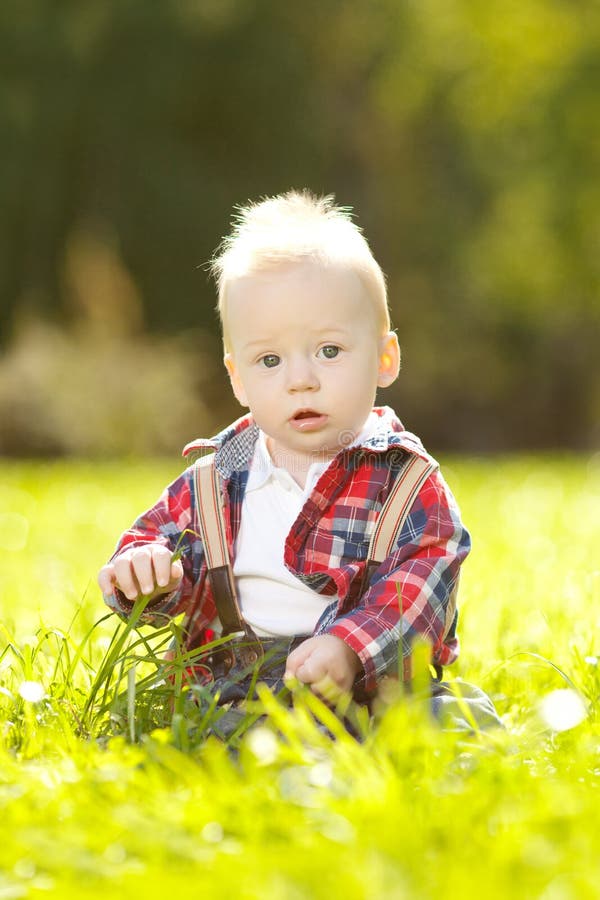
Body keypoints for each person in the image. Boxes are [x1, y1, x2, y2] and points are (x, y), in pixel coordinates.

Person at [98, 190, 498, 730]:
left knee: (451, 719)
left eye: (329, 351)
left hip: (369, 691)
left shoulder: (406, 484)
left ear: (384, 358)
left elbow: (421, 589)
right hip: (234, 695)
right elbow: (157, 550)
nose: (300, 379)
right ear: (237, 377)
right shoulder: (213, 481)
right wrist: (139, 573)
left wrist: (348, 648)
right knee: (179, 730)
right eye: (269, 360)